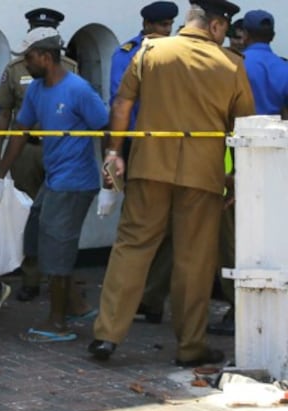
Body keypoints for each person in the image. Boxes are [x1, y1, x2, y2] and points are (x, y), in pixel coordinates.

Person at [90, 0, 255, 366]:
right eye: (225, 28)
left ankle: (106, 336)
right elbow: (245, 128)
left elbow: (122, 104)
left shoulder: (151, 50)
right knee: (194, 261)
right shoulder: (231, 65)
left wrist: (114, 152)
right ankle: (190, 346)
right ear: (215, 26)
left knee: (132, 247)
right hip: (204, 176)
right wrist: (239, 178)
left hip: (149, 167)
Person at [0, 27, 108, 343]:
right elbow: (21, 129)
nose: (24, 64)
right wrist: (0, 175)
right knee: (35, 237)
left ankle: (58, 322)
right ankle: (77, 305)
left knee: (57, 246)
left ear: (45, 56)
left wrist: (111, 174)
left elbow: (106, 126)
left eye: (28, 58)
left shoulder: (78, 90)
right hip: (55, 179)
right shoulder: (38, 91)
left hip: (75, 182)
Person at [208, 9, 288, 336]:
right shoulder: (283, 67)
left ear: (246, 35)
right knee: (272, 229)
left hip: (236, 158)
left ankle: (239, 306)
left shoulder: (234, 66)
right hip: (275, 159)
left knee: (233, 235)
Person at [0, 8, 75, 303]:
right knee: (28, 214)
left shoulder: (71, 68)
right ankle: (30, 277)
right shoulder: (15, 68)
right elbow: (4, 111)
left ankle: (59, 278)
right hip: (26, 151)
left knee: (58, 216)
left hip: (59, 151)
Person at [109, 1, 179, 325]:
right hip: (138, 143)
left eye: (170, 25)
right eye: (162, 25)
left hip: (176, 144)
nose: (167, 31)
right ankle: (130, 300)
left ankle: (152, 298)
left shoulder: (180, 52)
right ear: (147, 25)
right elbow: (119, 101)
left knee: (171, 228)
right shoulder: (126, 53)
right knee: (137, 224)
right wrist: (117, 150)